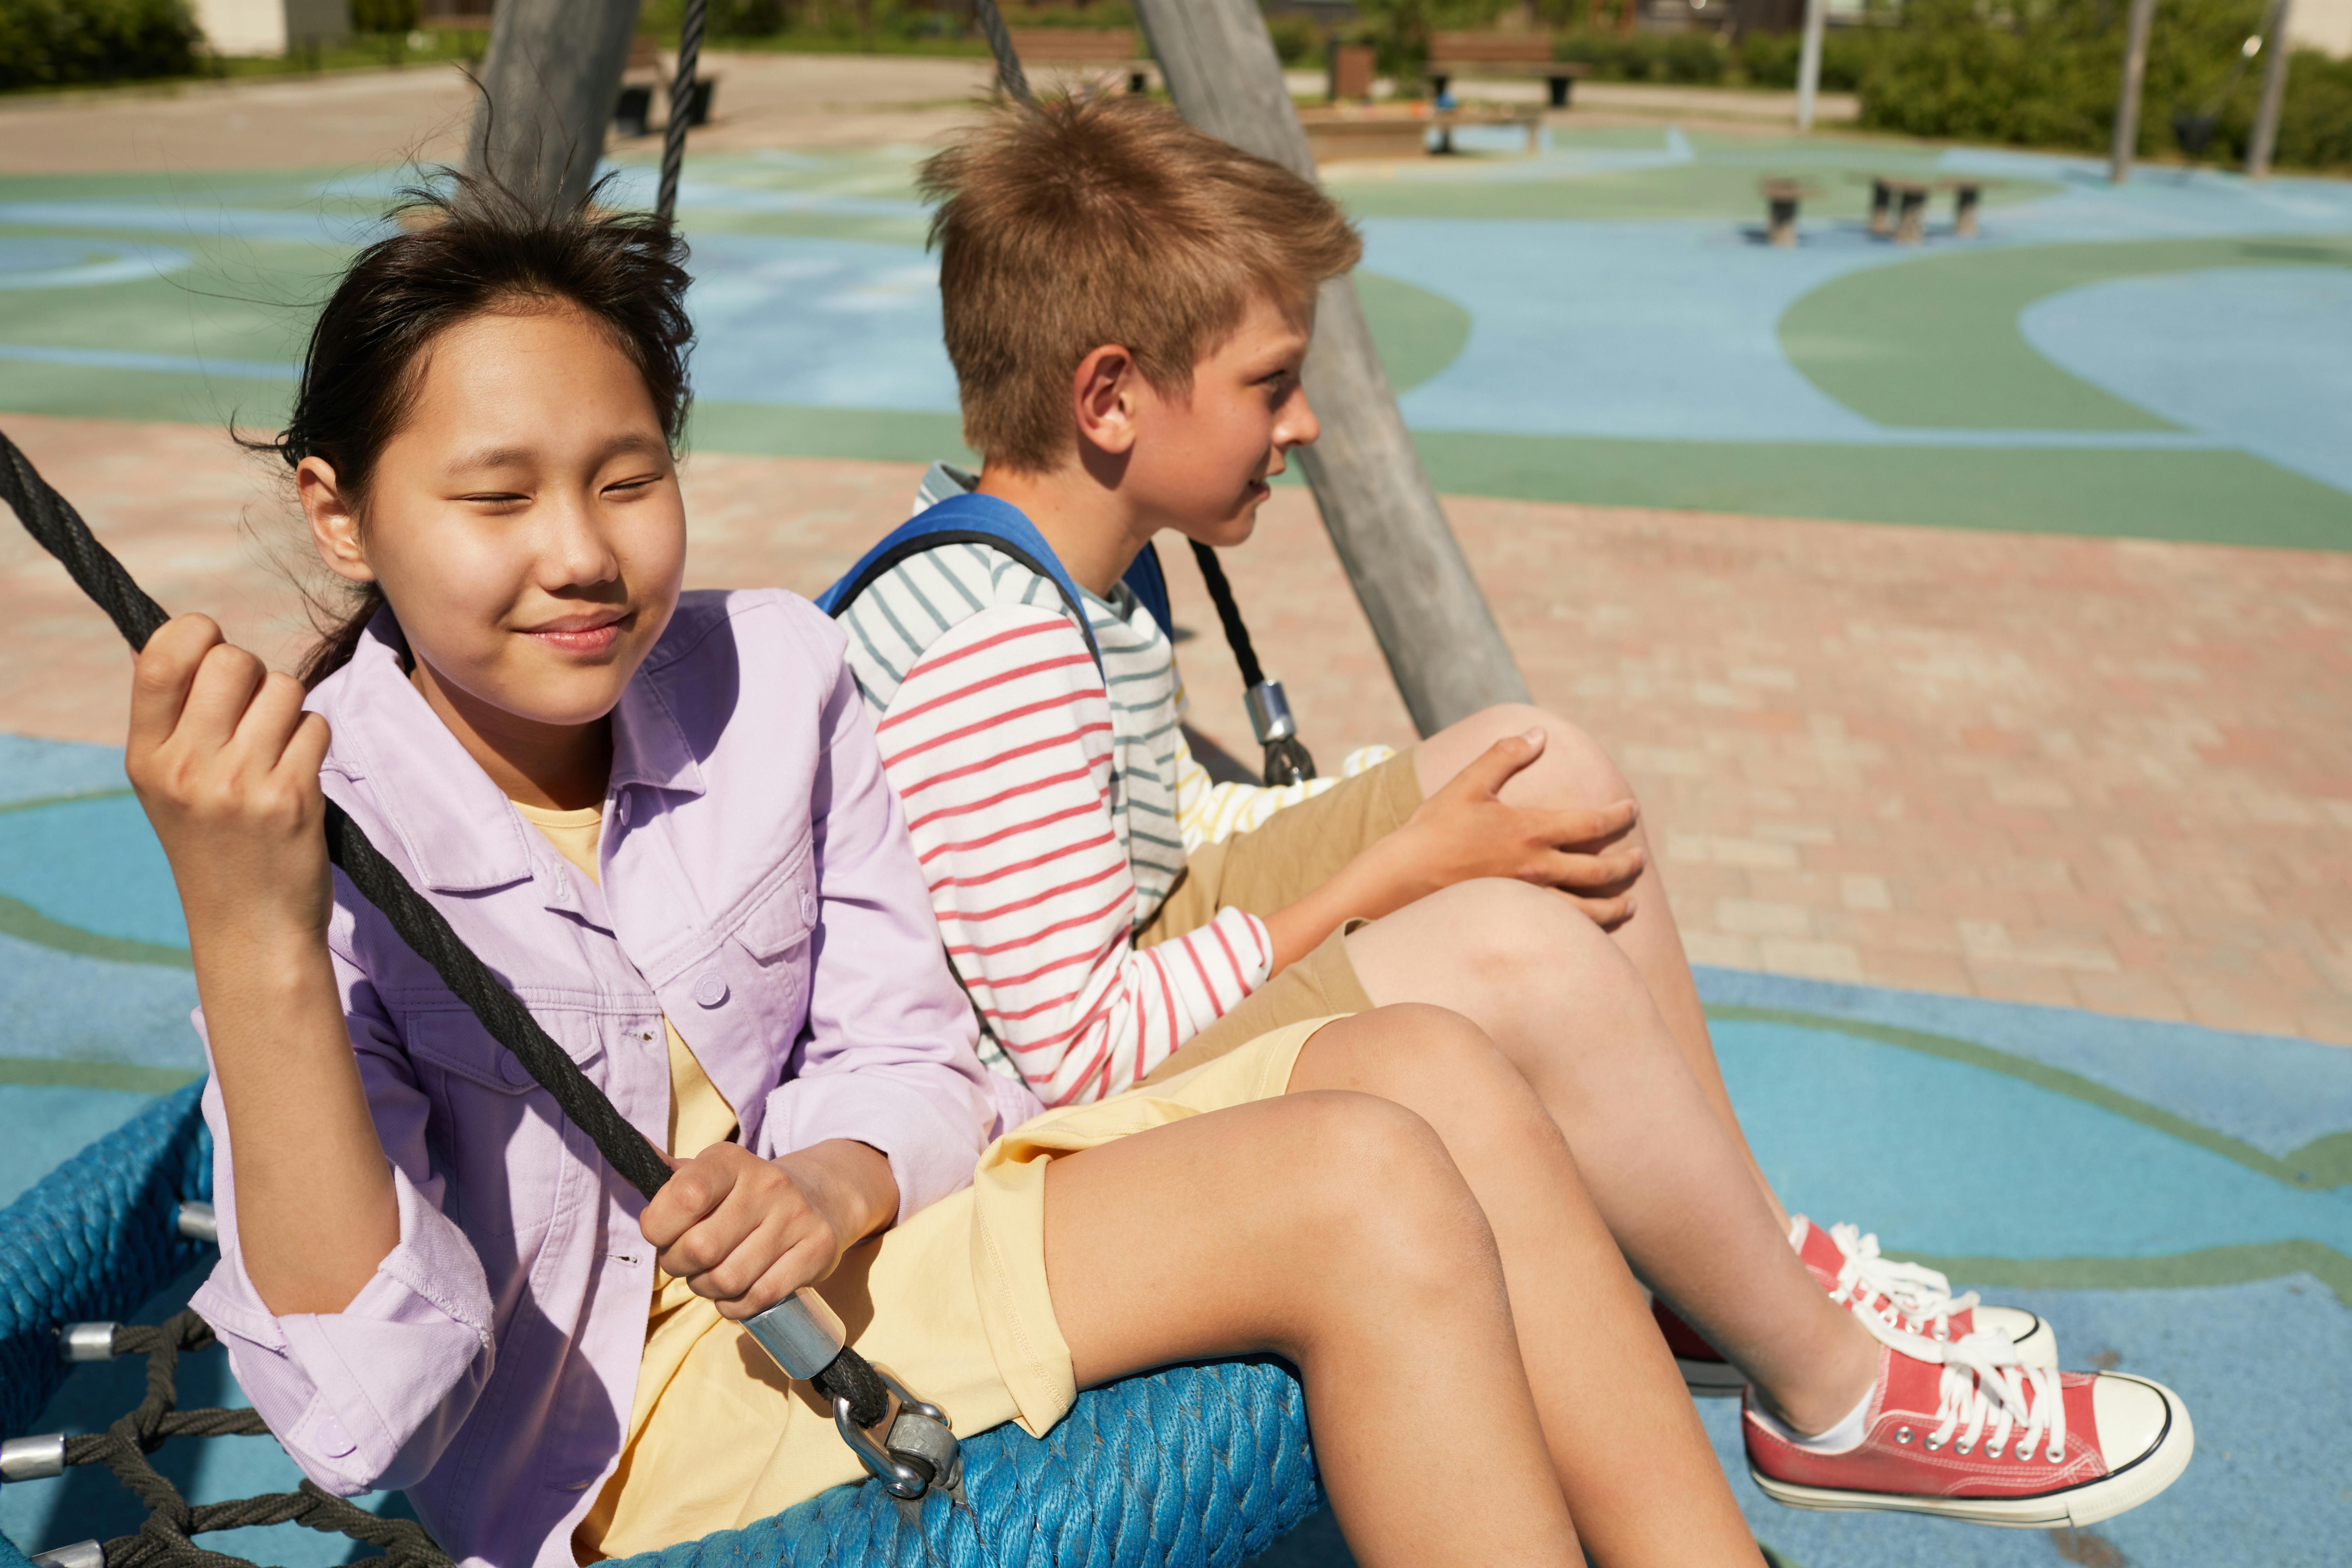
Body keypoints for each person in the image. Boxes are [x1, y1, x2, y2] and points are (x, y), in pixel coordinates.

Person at [124, 175, 1775, 1567]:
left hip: (862, 1256)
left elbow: (912, 1051)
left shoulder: (772, 676)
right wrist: (253, 936)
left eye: (630, 478)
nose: (581, 553)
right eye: (496, 497)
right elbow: (366, 1415)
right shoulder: (310, 842)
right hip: (631, 1439)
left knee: (1436, 1069)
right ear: (339, 516)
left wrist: (836, 1177)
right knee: (1365, 1186)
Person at [832, 93, 2194, 1526]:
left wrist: (1387, 811)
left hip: (1113, 985)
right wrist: (1398, 867)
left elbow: (1146, 845)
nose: (1302, 422)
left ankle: (1733, 1254)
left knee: (1541, 770)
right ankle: (1833, 1393)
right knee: (1507, 949)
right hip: (1022, 1126)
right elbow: (1076, 1055)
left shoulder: (1075, 567)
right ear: (1108, 398)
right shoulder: (993, 649)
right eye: (1270, 381)